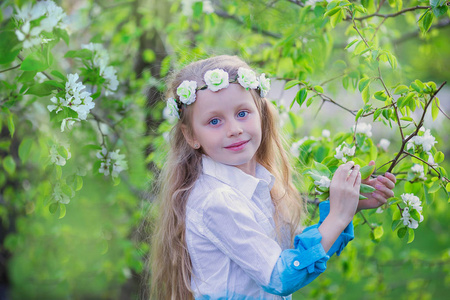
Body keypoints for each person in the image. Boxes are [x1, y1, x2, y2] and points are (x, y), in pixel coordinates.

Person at [150, 55, 396, 299]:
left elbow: (298, 253)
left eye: (243, 113)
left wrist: (346, 205)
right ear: (191, 135)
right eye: (215, 121)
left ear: (261, 114)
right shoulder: (217, 200)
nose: (234, 129)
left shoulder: (256, 183)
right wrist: (338, 216)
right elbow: (282, 275)